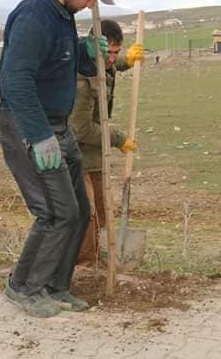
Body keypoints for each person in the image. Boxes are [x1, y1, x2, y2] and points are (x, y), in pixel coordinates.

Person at [0, 0, 114, 318]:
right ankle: (23, 286)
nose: (92, 4)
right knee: (54, 213)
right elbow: (16, 82)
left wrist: (85, 53)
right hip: (30, 127)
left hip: (59, 126)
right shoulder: (34, 15)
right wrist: (38, 135)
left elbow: (57, 64)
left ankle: (56, 285)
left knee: (79, 212)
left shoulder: (63, 16)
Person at [71, 19, 145, 266]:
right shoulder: (80, 79)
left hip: (95, 154)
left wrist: (128, 61)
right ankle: (85, 268)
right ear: (95, 46)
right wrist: (118, 139)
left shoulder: (103, 62)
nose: (112, 58)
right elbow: (80, 130)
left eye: (117, 52)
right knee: (86, 214)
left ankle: (104, 261)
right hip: (74, 156)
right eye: (109, 53)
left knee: (104, 212)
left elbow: (110, 67)